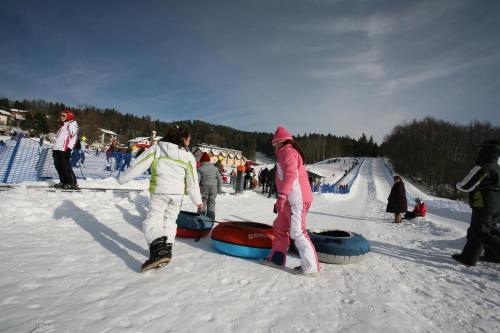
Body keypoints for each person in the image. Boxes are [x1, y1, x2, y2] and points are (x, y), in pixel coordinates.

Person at [118, 125, 203, 272]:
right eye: (189, 138)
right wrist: (198, 200)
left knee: (152, 220)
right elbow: (193, 181)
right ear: (183, 138)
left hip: (160, 191)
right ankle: (167, 249)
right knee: (170, 221)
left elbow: (139, 164)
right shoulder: (188, 156)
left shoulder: (157, 149)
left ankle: (159, 250)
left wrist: (122, 178)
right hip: (177, 195)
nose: (189, 141)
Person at [263, 126, 320, 276]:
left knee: (297, 232)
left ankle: (311, 267)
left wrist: (281, 196)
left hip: (297, 200)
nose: (274, 148)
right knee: (280, 227)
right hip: (290, 200)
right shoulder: (284, 154)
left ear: (280, 142)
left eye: (275, 145)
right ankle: (277, 258)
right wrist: (282, 198)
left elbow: (290, 176)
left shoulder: (288, 153)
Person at [452, 139, 500, 266]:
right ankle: (489, 256)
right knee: (490, 229)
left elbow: (466, 185)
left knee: (480, 231)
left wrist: (457, 185)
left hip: (485, 203)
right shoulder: (497, 168)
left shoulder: (483, 167)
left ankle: (470, 258)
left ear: (485, 152)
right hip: (497, 204)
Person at [52, 109, 79, 189]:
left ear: (69, 115)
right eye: (61, 115)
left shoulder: (72, 124)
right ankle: (63, 182)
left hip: (64, 149)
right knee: (58, 166)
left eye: (63, 115)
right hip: (57, 148)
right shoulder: (63, 125)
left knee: (65, 167)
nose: (61, 117)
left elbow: (73, 138)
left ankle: (71, 183)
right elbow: (59, 138)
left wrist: (69, 149)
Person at [197, 152, 222, 220]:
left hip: (204, 186)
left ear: (202, 161)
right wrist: (219, 189)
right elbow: (220, 179)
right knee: (212, 202)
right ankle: (210, 219)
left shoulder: (200, 169)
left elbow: (197, 180)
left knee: (203, 201)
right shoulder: (215, 168)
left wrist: (196, 189)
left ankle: (200, 218)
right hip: (214, 187)